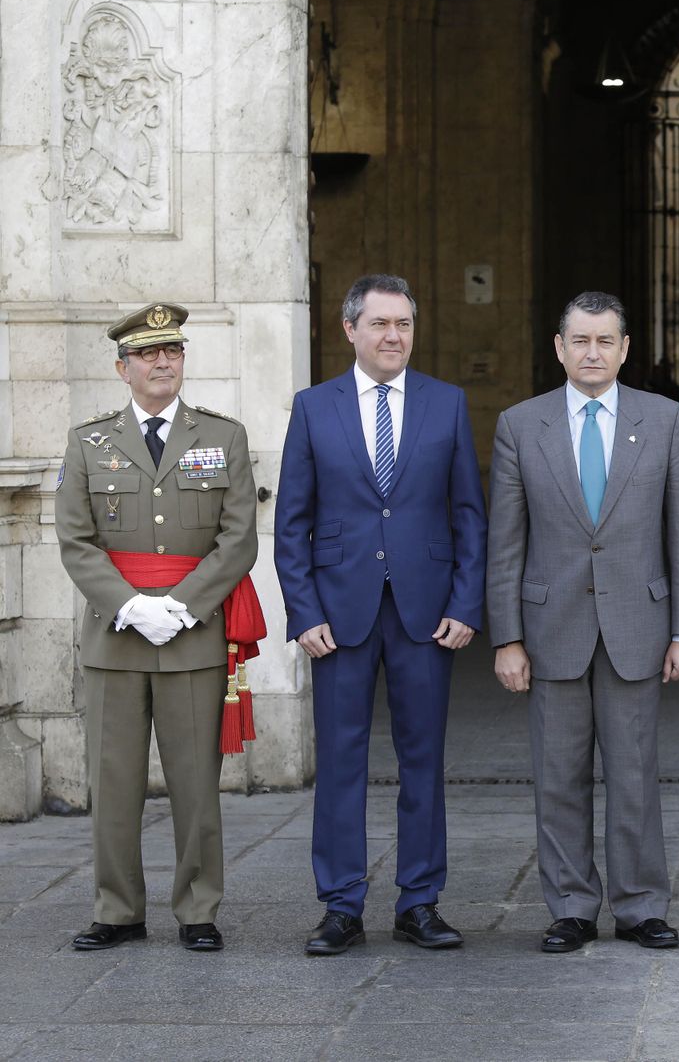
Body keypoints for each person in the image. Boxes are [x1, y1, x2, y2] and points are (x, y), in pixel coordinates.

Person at [488, 291, 679, 954]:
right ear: (559, 347)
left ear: (625, 348)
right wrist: (506, 636)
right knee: (557, 774)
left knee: (636, 772)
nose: (592, 352)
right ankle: (572, 906)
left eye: (605, 341)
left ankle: (641, 905)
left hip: (637, 625)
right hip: (550, 625)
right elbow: (506, 542)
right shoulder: (520, 425)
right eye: (580, 340)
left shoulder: (666, 420)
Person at [275, 274, 487, 956]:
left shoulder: (446, 403)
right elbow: (291, 523)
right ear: (350, 330)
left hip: (426, 611)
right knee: (340, 760)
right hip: (338, 614)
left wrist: (465, 602)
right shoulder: (314, 407)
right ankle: (341, 904)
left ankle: (419, 901)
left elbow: (468, 516)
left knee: (422, 759)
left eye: (404, 325)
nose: (394, 336)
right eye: (380, 324)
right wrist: (302, 611)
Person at [57, 304, 260, 954]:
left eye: (172, 349)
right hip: (116, 636)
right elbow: (75, 540)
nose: (163, 361)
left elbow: (238, 539)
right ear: (123, 368)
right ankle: (116, 907)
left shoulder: (221, 437)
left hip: (192, 635)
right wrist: (129, 604)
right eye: (147, 353)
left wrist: (184, 605)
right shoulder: (88, 443)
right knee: (113, 780)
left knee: (196, 782)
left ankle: (198, 907)